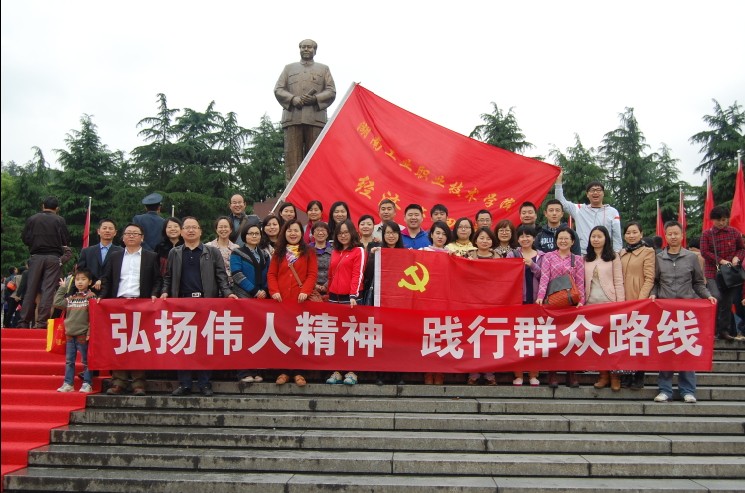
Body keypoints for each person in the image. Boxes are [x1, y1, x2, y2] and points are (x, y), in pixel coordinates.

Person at [161, 216, 237, 396]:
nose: (191, 230)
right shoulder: (175, 253)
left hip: (205, 303)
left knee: (205, 344)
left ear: (200, 231)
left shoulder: (212, 252)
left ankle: (205, 383)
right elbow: (168, 277)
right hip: (182, 304)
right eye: (187, 227)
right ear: (181, 232)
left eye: (194, 227)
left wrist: (228, 293)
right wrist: (164, 292)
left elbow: (221, 277)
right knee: (182, 344)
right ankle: (185, 383)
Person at [651, 221, 717, 403]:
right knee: (666, 349)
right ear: (665, 236)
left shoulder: (691, 257)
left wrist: (708, 296)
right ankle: (665, 389)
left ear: (682, 235)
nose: (673, 237)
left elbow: (698, 283)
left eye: (676, 233)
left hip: (686, 312)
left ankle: (687, 390)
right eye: (669, 234)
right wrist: (653, 294)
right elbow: (655, 282)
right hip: (665, 311)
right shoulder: (659, 258)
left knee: (686, 349)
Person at [100, 223, 161, 396]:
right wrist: (102, 297)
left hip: (141, 305)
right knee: (119, 344)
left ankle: (138, 383)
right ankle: (118, 381)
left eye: (135, 233)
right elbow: (107, 279)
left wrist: (154, 294)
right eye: (128, 233)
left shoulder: (151, 256)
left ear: (142, 237)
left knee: (139, 344)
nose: (132, 236)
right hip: (119, 304)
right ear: (123, 237)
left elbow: (157, 279)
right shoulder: (115, 256)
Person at [274, 39, 336, 183]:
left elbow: (331, 91)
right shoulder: (288, 68)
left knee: (314, 159)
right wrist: (293, 99)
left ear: (315, 50)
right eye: (303, 47)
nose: (305, 49)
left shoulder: (323, 69)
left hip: (315, 119)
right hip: (293, 117)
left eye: (309, 47)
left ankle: (314, 190)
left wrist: (315, 99)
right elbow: (278, 89)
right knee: (292, 159)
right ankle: (292, 190)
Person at [267, 219, 317, 387]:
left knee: (299, 337)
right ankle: (283, 371)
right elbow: (272, 274)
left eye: (296, 230)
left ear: (301, 233)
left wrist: (305, 291)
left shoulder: (308, 252)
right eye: (289, 231)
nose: (293, 233)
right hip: (281, 301)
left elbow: (312, 274)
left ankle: (298, 372)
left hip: (300, 302)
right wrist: (274, 291)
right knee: (282, 337)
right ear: (284, 233)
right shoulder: (279, 252)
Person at [536, 226, 585, 388]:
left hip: (571, 304)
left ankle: (571, 374)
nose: (563, 241)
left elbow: (580, 282)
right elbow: (544, 278)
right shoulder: (548, 257)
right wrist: (540, 297)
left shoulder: (577, 259)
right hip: (553, 303)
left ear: (572, 241)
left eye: (566, 238)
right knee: (553, 339)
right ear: (556, 241)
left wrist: (581, 301)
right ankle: (552, 374)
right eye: (560, 238)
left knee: (571, 339)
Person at [583, 226, 625, 391]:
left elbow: (619, 281)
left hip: (610, 303)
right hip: (591, 305)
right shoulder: (586, 258)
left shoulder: (613, 257)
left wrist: (620, 304)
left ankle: (615, 376)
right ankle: (603, 375)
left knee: (612, 342)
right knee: (598, 342)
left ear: (606, 238)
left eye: (599, 236)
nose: (596, 239)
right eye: (593, 236)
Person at [19, 196, 71, 329]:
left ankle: (23, 321)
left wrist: (34, 244)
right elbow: (65, 239)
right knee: (48, 290)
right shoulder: (59, 220)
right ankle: (41, 322)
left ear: (43, 206)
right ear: (57, 208)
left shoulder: (32, 219)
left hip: (36, 256)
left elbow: (25, 238)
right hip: (53, 257)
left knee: (31, 289)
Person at [325, 219, 366, 386]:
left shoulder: (358, 250)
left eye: (346, 232)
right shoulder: (335, 251)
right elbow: (330, 275)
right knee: (336, 336)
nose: (343, 236)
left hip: (351, 299)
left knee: (352, 336)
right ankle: (337, 370)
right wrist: (328, 293)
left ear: (352, 233)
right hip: (334, 298)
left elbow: (358, 274)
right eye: (340, 233)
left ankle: (352, 371)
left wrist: (353, 295)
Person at [231, 222, 271, 384]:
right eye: (251, 233)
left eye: (257, 233)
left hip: (261, 299)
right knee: (244, 336)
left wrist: (265, 290)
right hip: (244, 297)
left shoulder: (264, 254)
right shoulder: (237, 253)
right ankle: (243, 371)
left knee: (259, 336)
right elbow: (236, 274)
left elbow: (269, 274)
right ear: (244, 236)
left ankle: (257, 370)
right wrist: (254, 290)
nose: (254, 236)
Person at [619, 221, 656, 389]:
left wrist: (641, 301)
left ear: (641, 234)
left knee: (639, 337)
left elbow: (649, 278)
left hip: (639, 299)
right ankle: (626, 373)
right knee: (625, 338)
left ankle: (639, 374)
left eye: (635, 232)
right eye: (628, 232)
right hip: (622, 299)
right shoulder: (622, 253)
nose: (631, 235)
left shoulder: (648, 251)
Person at [700, 206, 745, 341]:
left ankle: (723, 331)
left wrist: (737, 257)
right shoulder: (707, 234)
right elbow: (704, 252)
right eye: (718, 220)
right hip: (712, 272)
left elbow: (741, 249)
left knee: (727, 302)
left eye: (724, 220)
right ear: (713, 220)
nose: (721, 223)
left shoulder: (734, 232)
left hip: (730, 273)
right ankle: (711, 329)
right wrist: (721, 260)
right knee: (716, 297)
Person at [507, 225, 544, 386]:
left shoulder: (542, 256)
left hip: (536, 302)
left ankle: (534, 374)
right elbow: (506, 275)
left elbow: (545, 276)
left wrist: (532, 265)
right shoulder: (512, 254)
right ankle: (518, 374)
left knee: (535, 339)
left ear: (534, 238)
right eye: (521, 236)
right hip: (517, 302)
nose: (525, 239)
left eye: (528, 236)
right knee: (517, 338)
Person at [554, 170, 622, 253]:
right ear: (587, 194)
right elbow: (561, 202)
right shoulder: (579, 209)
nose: (595, 192)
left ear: (603, 193)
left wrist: (617, 253)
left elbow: (617, 236)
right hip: (583, 254)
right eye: (592, 190)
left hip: (605, 255)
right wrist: (558, 182)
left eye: (599, 190)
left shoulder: (613, 212)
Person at [466, 226, 501, 386]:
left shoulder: (499, 258)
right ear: (476, 240)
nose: (484, 241)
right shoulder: (468, 256)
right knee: (473, 338)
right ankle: (473, 372)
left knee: (490, 339)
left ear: (492, 241)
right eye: (481, 238)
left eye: (488, 238)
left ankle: (489, 373)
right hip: (472, 303)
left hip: (493, 303)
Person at [54, 268, 96, 393]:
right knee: (69, 361)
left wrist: (90, 332)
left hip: (83, 334)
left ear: (90, 282)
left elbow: (94, 317)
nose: (80, 282)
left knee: (86, 361)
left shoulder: (91, 297)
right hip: (70, 334)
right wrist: (63, 288)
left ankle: (87, 383)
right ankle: (68, 383)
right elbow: (57, 303)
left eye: (83, 279)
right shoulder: (71, 297)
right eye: (77, 279)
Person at [76, 218, 122, 293]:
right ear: (98, 231)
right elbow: (80, 272)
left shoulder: (121, 251)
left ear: (115, 232)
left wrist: (102, 281)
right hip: (90, 291)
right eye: (104, 228)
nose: (107, 231)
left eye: (110, 228)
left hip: (113, 291)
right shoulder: (87, 251)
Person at [205, 216, 238, 285]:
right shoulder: (208, 247)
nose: (223, 229)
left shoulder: (236, 248)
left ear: (231, 229)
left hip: (232, 285)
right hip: (213, 284)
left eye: (225, 227)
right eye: (220, 227)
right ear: (216, 229)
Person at [309, 221, 333, 302]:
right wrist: (314, 285)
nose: (320, 233)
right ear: (313, 234)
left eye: (323, 230)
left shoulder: (334, 250)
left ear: (328, 233)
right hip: (312, 291)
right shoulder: (307, 250)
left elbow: (336, 270)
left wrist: (326, 285)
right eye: (317, 230)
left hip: (330, 290)